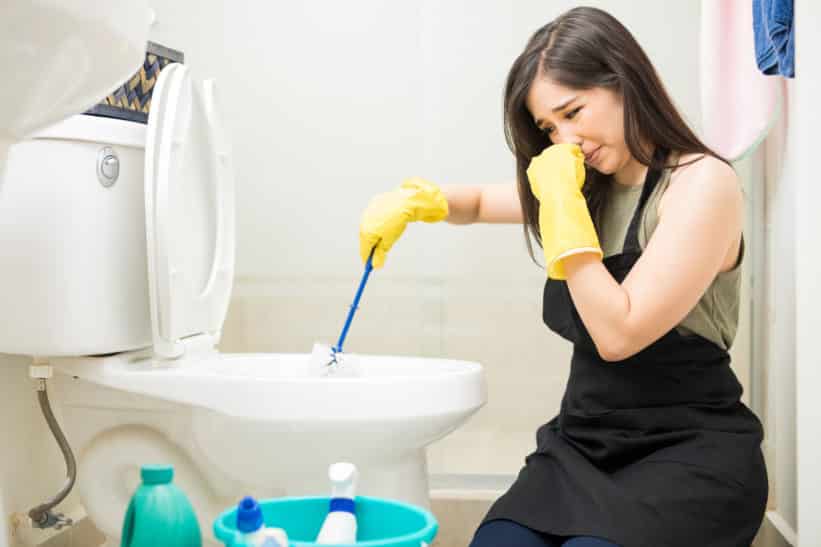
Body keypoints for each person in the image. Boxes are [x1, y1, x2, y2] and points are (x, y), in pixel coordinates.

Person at [358, 6, 767, 547]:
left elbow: (619, 334)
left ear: (624, 80)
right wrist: (419, 202)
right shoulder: (588, 186)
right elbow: (478, 202)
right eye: (549, 128)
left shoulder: (699, 183)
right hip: (585, 445)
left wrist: (563, 212)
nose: (565, 140)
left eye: (573, 112)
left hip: (688, 452)